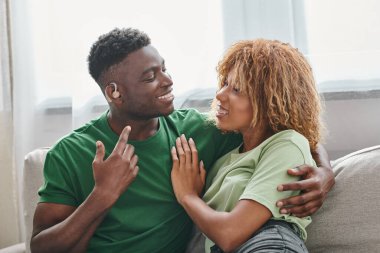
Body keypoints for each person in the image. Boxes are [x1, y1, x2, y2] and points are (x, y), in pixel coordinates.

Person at [31, 28, 334, 253]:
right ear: (114, 93)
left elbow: (284, 128)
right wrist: (102, 195)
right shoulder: (69, 153)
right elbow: (41, 246)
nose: (167, 80)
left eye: (164, 68)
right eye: (151, 77)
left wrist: (324, 172)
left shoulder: (197, 132)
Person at [171, 39, 326, 253]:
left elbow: (230, 233)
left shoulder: (286, 144)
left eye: (236, 89)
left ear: (270, 101)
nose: (220, 94)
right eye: (224, 83)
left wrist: (187, 196)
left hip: (269, 243)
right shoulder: (229, 155)